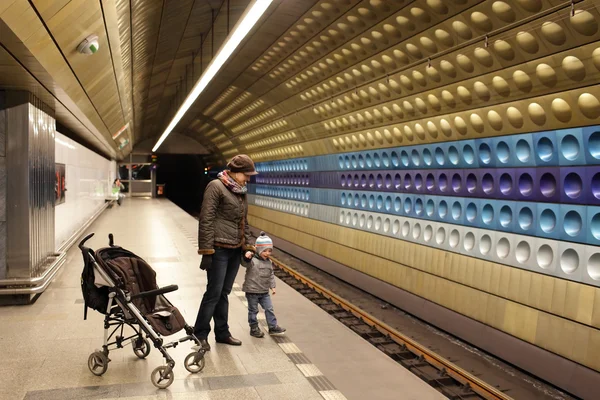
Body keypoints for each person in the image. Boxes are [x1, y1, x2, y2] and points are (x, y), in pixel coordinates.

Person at [194, 154, 257, 351]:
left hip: (234, 249)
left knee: (224, 293)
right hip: (219, 248)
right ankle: (200, 334)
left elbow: (243, 221)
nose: (248, 179)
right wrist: (207, 251)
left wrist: (248, 245)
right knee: (213, 293)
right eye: (246, 175)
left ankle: (222, 333)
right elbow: (206, 219)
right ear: (235, 172)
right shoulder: (216, 186)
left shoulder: (240, 191)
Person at [242, 232, 286, 337]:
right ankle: (254, 328)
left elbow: (271, 274)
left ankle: (273, 327)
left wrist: (273, 286)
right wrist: (246, 257)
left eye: (269, 251)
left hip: (264, 291)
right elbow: (244, 263)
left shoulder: (269, 262)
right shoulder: (252, 260)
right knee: (253, 311)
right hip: (252, 291)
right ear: (258, 250)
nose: (267, 253)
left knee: (269, 308)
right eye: (264, 251)